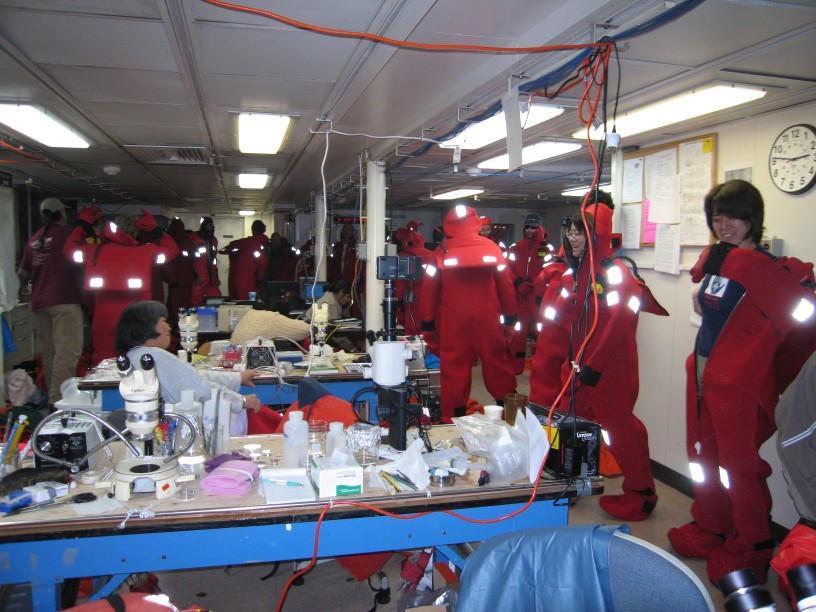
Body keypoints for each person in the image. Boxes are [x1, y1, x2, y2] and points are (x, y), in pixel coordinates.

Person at [667, 179, 816, 585]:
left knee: (739, 466)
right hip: (703, 372)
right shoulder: (719, 262)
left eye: (732, 215)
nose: (724, 224)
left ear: (753, 218)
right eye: (716, 216)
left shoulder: (766, 270)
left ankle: (752, 544)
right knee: (702, 457)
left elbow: (794, 326)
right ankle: (713, 523)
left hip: (737, 384)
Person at [533, 201, 668, 522]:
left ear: (600, 234)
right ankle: (570, 480)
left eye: (583, 231)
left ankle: (642, 492)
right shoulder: (574, 274)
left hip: (611, 370)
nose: (575, 237)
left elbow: (620, 322)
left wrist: (593, 365)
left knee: (620, 429)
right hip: (579, 365)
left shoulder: (616, 274)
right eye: (572, 231)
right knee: (567, 421)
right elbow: (565, 320)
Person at [420, 205, 518, 422]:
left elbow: (429, 291)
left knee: (454, 369)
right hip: (488, 319)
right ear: (474, 224)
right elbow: (506, 286)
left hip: (454, 322)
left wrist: (427, 325)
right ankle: (510, 411)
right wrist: (511, 318)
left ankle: (453, 418)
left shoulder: (440, 252)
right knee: (497, 363)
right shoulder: (492, 249)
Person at [115, 301, 262, 436]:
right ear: (146, 325)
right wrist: (240, 401)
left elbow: (192, 376)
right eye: (163, 321)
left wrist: (237, 378)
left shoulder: (135, 355)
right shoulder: (153, 355)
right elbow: (198, 388)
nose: (168, 327)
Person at [65, 210, 179, 365]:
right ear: (135, 232)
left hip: (103, 320)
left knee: (105, 367)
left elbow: (69, 249)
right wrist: (155, 230)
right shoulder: (147, 252)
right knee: (140, 366)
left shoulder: (94, 252)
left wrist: (82, 226)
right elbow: (172, 250)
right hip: (139, 321)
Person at [16, 198, 86, 407]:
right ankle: (59, 403)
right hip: (64, 300)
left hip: (40, 302)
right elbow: (83, 263)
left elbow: (22, 272)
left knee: (50, 354)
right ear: (62, 214)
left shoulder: (34, 239)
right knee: (67, 353)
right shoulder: (67, 236)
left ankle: (51, 399)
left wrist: (21, 291)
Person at [506, 213, 553, 374]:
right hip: (519, 294)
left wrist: (534, 283)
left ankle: (543, 365)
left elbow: (549, 270)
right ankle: (515, 366)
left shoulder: (547, 248)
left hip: (536, 296)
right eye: (527, 226)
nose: (530, 230)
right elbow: (508, 268)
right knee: (518, 330)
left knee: (542, 330)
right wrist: (518, 282)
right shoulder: (516, 247)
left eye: (534, 227)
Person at [395, 222, 435, 335]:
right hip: (431, 297)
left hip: (412, 299)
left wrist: (397, 304)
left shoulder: (404, 256)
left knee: (412, 331)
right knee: (428, 330)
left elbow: (400, 284)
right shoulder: (432, 254)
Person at [218, 220, 269, 300]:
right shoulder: (259, 244)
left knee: (237, 304)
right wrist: (260, 280)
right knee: (249, 304)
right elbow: (262, 265)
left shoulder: (242, 243)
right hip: (249, 282)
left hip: (234, 279)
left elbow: (227, 251)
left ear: (253, 230)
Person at [230, 296, 310, 347]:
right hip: (253, 363)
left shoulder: (251, 313)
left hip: (238, 360)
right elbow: (306, 330)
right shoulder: (273, 317)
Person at [162, 217, 197, 329]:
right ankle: (177, 325)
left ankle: (180, 324)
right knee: (178, 302)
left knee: (180, 302)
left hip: (181, 277)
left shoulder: (170, 240)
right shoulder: (176, 241)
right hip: (180, 278)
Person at [190, 216, 221, 305]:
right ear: (204, 226)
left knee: (216, 298)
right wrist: (195, 276)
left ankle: (215, 316)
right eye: (208, 225)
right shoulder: (194, 238)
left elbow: (213, 259)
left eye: (211, 226)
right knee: (195, 300)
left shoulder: (213, 240)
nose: (210, 228)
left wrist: (217, 277)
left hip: (212, 276)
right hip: (199, 274)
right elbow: (190, 260)